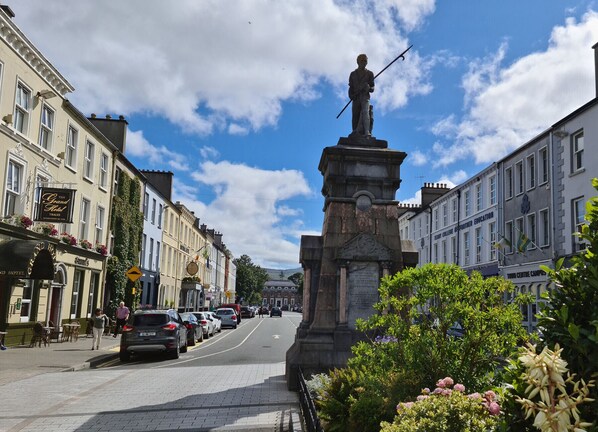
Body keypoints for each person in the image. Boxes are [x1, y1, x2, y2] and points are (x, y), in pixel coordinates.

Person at [348, 53, 375, 137]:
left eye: (365, 61)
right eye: (362, 60)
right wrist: (351, 96)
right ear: (358, 62)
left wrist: (369, 88)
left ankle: (367, 131)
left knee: (365, 112)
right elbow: (350, 87)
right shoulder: (353, 74)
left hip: (365, 96)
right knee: (355, 114)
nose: (363, 62)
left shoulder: (370, 74)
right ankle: (355, 132)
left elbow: (372, 88)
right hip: (356, 97)